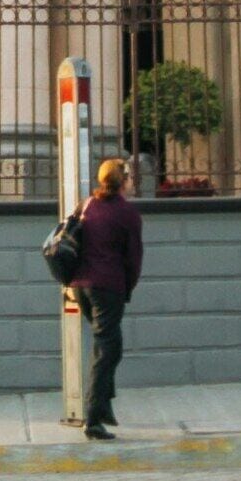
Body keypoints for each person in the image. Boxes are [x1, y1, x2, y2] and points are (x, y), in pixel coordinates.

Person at [74, 156, 143, 438]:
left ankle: (104, 407)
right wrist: (127, 288)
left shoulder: (87, 204)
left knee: (108, 346)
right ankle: (92, 417)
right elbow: (134, 259)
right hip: (107, 287)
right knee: (107, 349)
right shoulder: (127, 214)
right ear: (124, 181)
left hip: (81, 286)